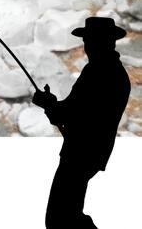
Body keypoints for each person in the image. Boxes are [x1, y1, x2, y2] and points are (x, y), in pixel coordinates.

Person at [33, 16, 130, 229]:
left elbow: (69, 112)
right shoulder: (112, 71)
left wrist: (48, 105)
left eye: (90, 40)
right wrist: (52, 106)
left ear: (105, 42)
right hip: (91, 152)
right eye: (86, 40)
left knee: (60, 218)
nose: (87, 46)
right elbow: (75, 110)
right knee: (69, 214)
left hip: (80, 153)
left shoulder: (99, 72)